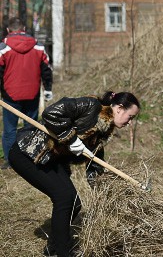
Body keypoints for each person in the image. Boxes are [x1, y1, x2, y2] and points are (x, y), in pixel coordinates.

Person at [8, 91, 140, 257]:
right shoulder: (90, 106)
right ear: (120, 108)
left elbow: (95, 164)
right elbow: (51, 113)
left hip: (49, 160)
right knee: (64, 197)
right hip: (28, 153)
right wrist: (71, 139)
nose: (130, 122)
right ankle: (65, 252)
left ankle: (54, 248)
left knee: (74, 202)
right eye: (130, 117)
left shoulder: (104, 130)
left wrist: (105, 190)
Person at [1, 17, 53, 169]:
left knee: (10, 128)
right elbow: (46, 69)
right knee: (30, 126)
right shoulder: (38, 47)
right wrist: (48, 88)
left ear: (8, 30)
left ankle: (11, 162)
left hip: (10, 94)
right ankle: (29, 158)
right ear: (23, 29)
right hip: (32, 92)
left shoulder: (3, 48)